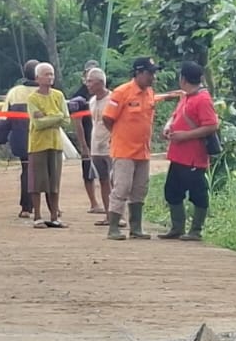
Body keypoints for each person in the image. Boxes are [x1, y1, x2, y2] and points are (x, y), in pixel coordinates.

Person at [160, 61, 221, 240]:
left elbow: (211, 125)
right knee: (171, 191)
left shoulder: (202, 99)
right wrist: (168, 126)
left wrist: (185, 136)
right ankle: (177, 227)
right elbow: (177, 115)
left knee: (198, 193)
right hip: (178, 156)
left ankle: (196, 230)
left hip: (194, 157)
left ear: (183, 79)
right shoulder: (187, 96)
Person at [101, 56, 159, 240]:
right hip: (124, 150)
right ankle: (113, 228)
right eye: (150, 73)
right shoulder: (121, 92)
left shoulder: (149, 92)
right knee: (122, 188)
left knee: (140, 189)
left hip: (143, 151)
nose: (153, 78)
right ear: (138, 73)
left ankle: (136, 228)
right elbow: (107, 118)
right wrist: (119, 135)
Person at [25, 61, 68, 228]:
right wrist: (55, 116)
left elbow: (66, 119)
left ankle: (54, 215)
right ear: (37, 78)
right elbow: (37, 124)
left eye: (51, 74)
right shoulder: (32, 98)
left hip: (56, 144)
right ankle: (37, 216)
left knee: (54, 182)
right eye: (46, 74)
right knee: (37, 182)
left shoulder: (59, 96)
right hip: (37, 145)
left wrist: (48, 116)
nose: (50, 77)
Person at [0, 59, 38, 218]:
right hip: (43, 138)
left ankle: (26, 207)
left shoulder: (15, 92)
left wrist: (1, 138)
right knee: (45, 171)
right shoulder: (46, 91)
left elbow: (4, 118)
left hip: (21, 139)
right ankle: (51, 207)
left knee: (27, 170)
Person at [69, 66, 108, 215]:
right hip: (88, 137)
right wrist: (83, 145)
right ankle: (94, 203)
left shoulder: (108, 96)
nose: (89, 82)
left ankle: (109, 209)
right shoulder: (79, 96)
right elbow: (77, 122)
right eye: (88, 78)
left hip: (105, 142)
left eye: (92, 79)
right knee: (88, 173)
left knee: (107, 178)